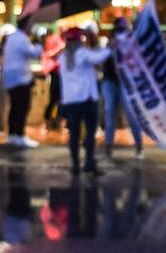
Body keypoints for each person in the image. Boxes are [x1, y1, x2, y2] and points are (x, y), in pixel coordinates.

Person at [58, 27, 111, 176]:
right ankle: (88, 162)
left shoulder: (63, 57)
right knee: (89, 132)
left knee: (73, 134)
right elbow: (100, 57)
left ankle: (75, 165)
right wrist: (109, 47)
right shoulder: (82, 54)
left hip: (70, 101)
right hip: (86, 99)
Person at [100, 16, 144, 160]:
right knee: (109, 111)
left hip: (125, 81)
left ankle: (139, 146)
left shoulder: (132, 43)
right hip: (110, 81)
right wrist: (113, 46)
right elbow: (103, 59)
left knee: (131, 113)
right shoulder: (109, 42)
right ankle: (108, 146)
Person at [1, 16, 42, 148]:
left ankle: (13, 134)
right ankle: (18, 135)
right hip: (20, 79)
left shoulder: (12, 38)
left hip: (12, 78)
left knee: (15, 107)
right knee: (21, 107)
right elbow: (34, 53)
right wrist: (39, 43)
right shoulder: (21, 39)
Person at [41, 26, 65, 134]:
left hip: (62, 73)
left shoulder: (65, 41)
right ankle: (47, 121)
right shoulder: (54, 39)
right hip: (55, 72)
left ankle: (57, 122)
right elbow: (48, 54)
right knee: (54, 98)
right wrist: (60, 48)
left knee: (60, 99)